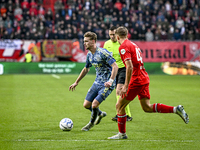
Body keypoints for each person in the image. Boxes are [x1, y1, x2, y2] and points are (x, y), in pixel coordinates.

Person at [108, 26, 189, 139]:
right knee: (147, 107)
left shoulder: (123, 47)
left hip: (136, 80)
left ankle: (122, 134)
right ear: (127, 35)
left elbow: (129, 67)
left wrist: (126, 85)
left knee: (119, 105)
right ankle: (176, 109)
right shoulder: (134, 45)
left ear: (117, 37)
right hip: (144, 78)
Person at [69, 31, 118, 131]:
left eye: (86, 41)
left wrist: (111, 81)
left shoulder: (103, 53)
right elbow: (86, 69)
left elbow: (115, 66)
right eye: (84, 41)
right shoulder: (89, 55)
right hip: (97, 82)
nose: (84, 43)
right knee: (86, 105)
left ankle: (90, 124)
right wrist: (76, 82)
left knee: (94, 104)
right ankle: (99, 113)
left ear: (93, 41)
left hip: (106, 84)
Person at [103, 26, 132, 122]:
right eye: (110, 34)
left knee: (119, 91)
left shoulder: (122, 44)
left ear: (117, 35)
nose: (112, 36)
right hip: (113, 70)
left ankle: (123, 114)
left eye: (113, 34)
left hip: (123, 68)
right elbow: (105, 58)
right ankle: (125, 113)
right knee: (119, 92)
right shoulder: (106, 44)